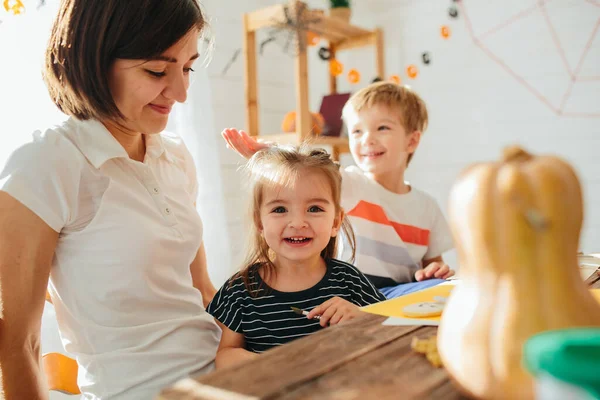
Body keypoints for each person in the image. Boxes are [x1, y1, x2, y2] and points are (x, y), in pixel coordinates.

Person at [0, 1, 221, 399]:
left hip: (222, 374)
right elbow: (18, 344)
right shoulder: (46, 163)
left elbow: (203, 291)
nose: (181, 93)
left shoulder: (173, 155)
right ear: (93, 59)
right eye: (157, 70)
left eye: (187, 68)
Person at [221, 82, 455, 299]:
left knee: (453, 287)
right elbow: (309, 167)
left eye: (382, 128)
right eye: (356, 132)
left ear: (412, 141)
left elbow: (433, 266)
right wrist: (270, 153)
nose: (367, 140)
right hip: (346, 291)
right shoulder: (350, 182)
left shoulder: (428, 207)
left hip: (398, 293)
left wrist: (435, 272)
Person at [206, 146, 385, 369]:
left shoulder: (348, 280)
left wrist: (362, 317)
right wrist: (276, 366)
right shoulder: (240, 290)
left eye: (314, 208)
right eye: (280, 210)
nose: (298, 223)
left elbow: (389, 329)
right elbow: (225, 354)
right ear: (260, 223)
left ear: (335, 222)